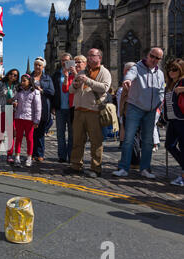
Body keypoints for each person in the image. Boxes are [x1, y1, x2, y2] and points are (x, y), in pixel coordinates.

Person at [113, 47, 166, 179]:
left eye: (157, 58)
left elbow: (161, 91)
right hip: (135, 107)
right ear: (148, 55)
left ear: (160, 60)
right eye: (152, 56)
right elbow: (130, 75)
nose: (154, 60)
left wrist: (157, 104)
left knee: (148, 141)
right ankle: (124, 168)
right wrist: (127, 80)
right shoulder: (137, 67)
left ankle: (145, 168)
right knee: (129, 138)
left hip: (151, 110)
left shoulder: (160, 73)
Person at [64, 49, 111, 178]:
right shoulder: (82, 72)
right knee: (77, 140)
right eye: (88, 55)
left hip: (93, 111)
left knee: (96, 141)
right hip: (79, 110)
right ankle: (76, 165)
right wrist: (76, 83)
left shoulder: (104, 72)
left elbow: (104, 88)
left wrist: (87, 81)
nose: (89, 57)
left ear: (99, 58)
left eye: (92, 55)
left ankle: (96, 168)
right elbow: (71, 91)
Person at [12, 74, 41, 167]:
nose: (22, 82)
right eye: (22, 80)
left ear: (29, 81)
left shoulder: (35, 92)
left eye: (24, 80)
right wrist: (13, 102)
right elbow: (13, 99)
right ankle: (17, 157)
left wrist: (36, 120)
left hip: (29, 119)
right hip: (19, 117)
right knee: (18, 138)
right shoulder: (19, 91)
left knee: (29, 138)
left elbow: (38, 107)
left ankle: (29, 157)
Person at [163, 58, 184, 186]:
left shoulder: (182, 82)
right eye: (169, 69)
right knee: (169, 145)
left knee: (183, 147)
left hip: (182, 120)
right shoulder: (170, 84)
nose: (171, 72)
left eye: (175, 69)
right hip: (172, 120)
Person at [31, 57, 55, 162]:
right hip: (30, 107)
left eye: (39, 65)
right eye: (36, 64)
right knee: (31, 132)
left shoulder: (47, 78)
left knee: (40, 132)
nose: (37, 67)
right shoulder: (29, 77)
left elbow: (52, 92)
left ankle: (40, 153)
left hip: (43, 106)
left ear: (43, 67)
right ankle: (31, 153)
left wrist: (42, 90)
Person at [0, 68, 19, 163]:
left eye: (15, 75)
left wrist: (16, 102)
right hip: (2, 110)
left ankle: (9, 155)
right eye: (11, 74)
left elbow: (18, 98)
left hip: (12, 111)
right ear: (8, 74)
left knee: (11, 134)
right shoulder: (1, 84)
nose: (13, 76)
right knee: (0, 133)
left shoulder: (17, 86)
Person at [118, 62, 141, 169]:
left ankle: (135, 161)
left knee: (133, 138)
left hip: (131, 112)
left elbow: (126, 98)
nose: (124, 72)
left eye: (125, 70)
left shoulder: (133, 82)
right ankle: (132, 160)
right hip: (128, 112)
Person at [52, 53, 74, 163]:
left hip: (72, 108)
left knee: (72, 133)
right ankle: (62, 156)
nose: (64, 63)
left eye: (67, 60)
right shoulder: (56, 74)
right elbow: (53, 92)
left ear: (71, 61)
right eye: (62, 60)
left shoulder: (74, 74)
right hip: (60, 107)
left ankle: (71, 155)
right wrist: (53, 106)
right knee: (60, 133)